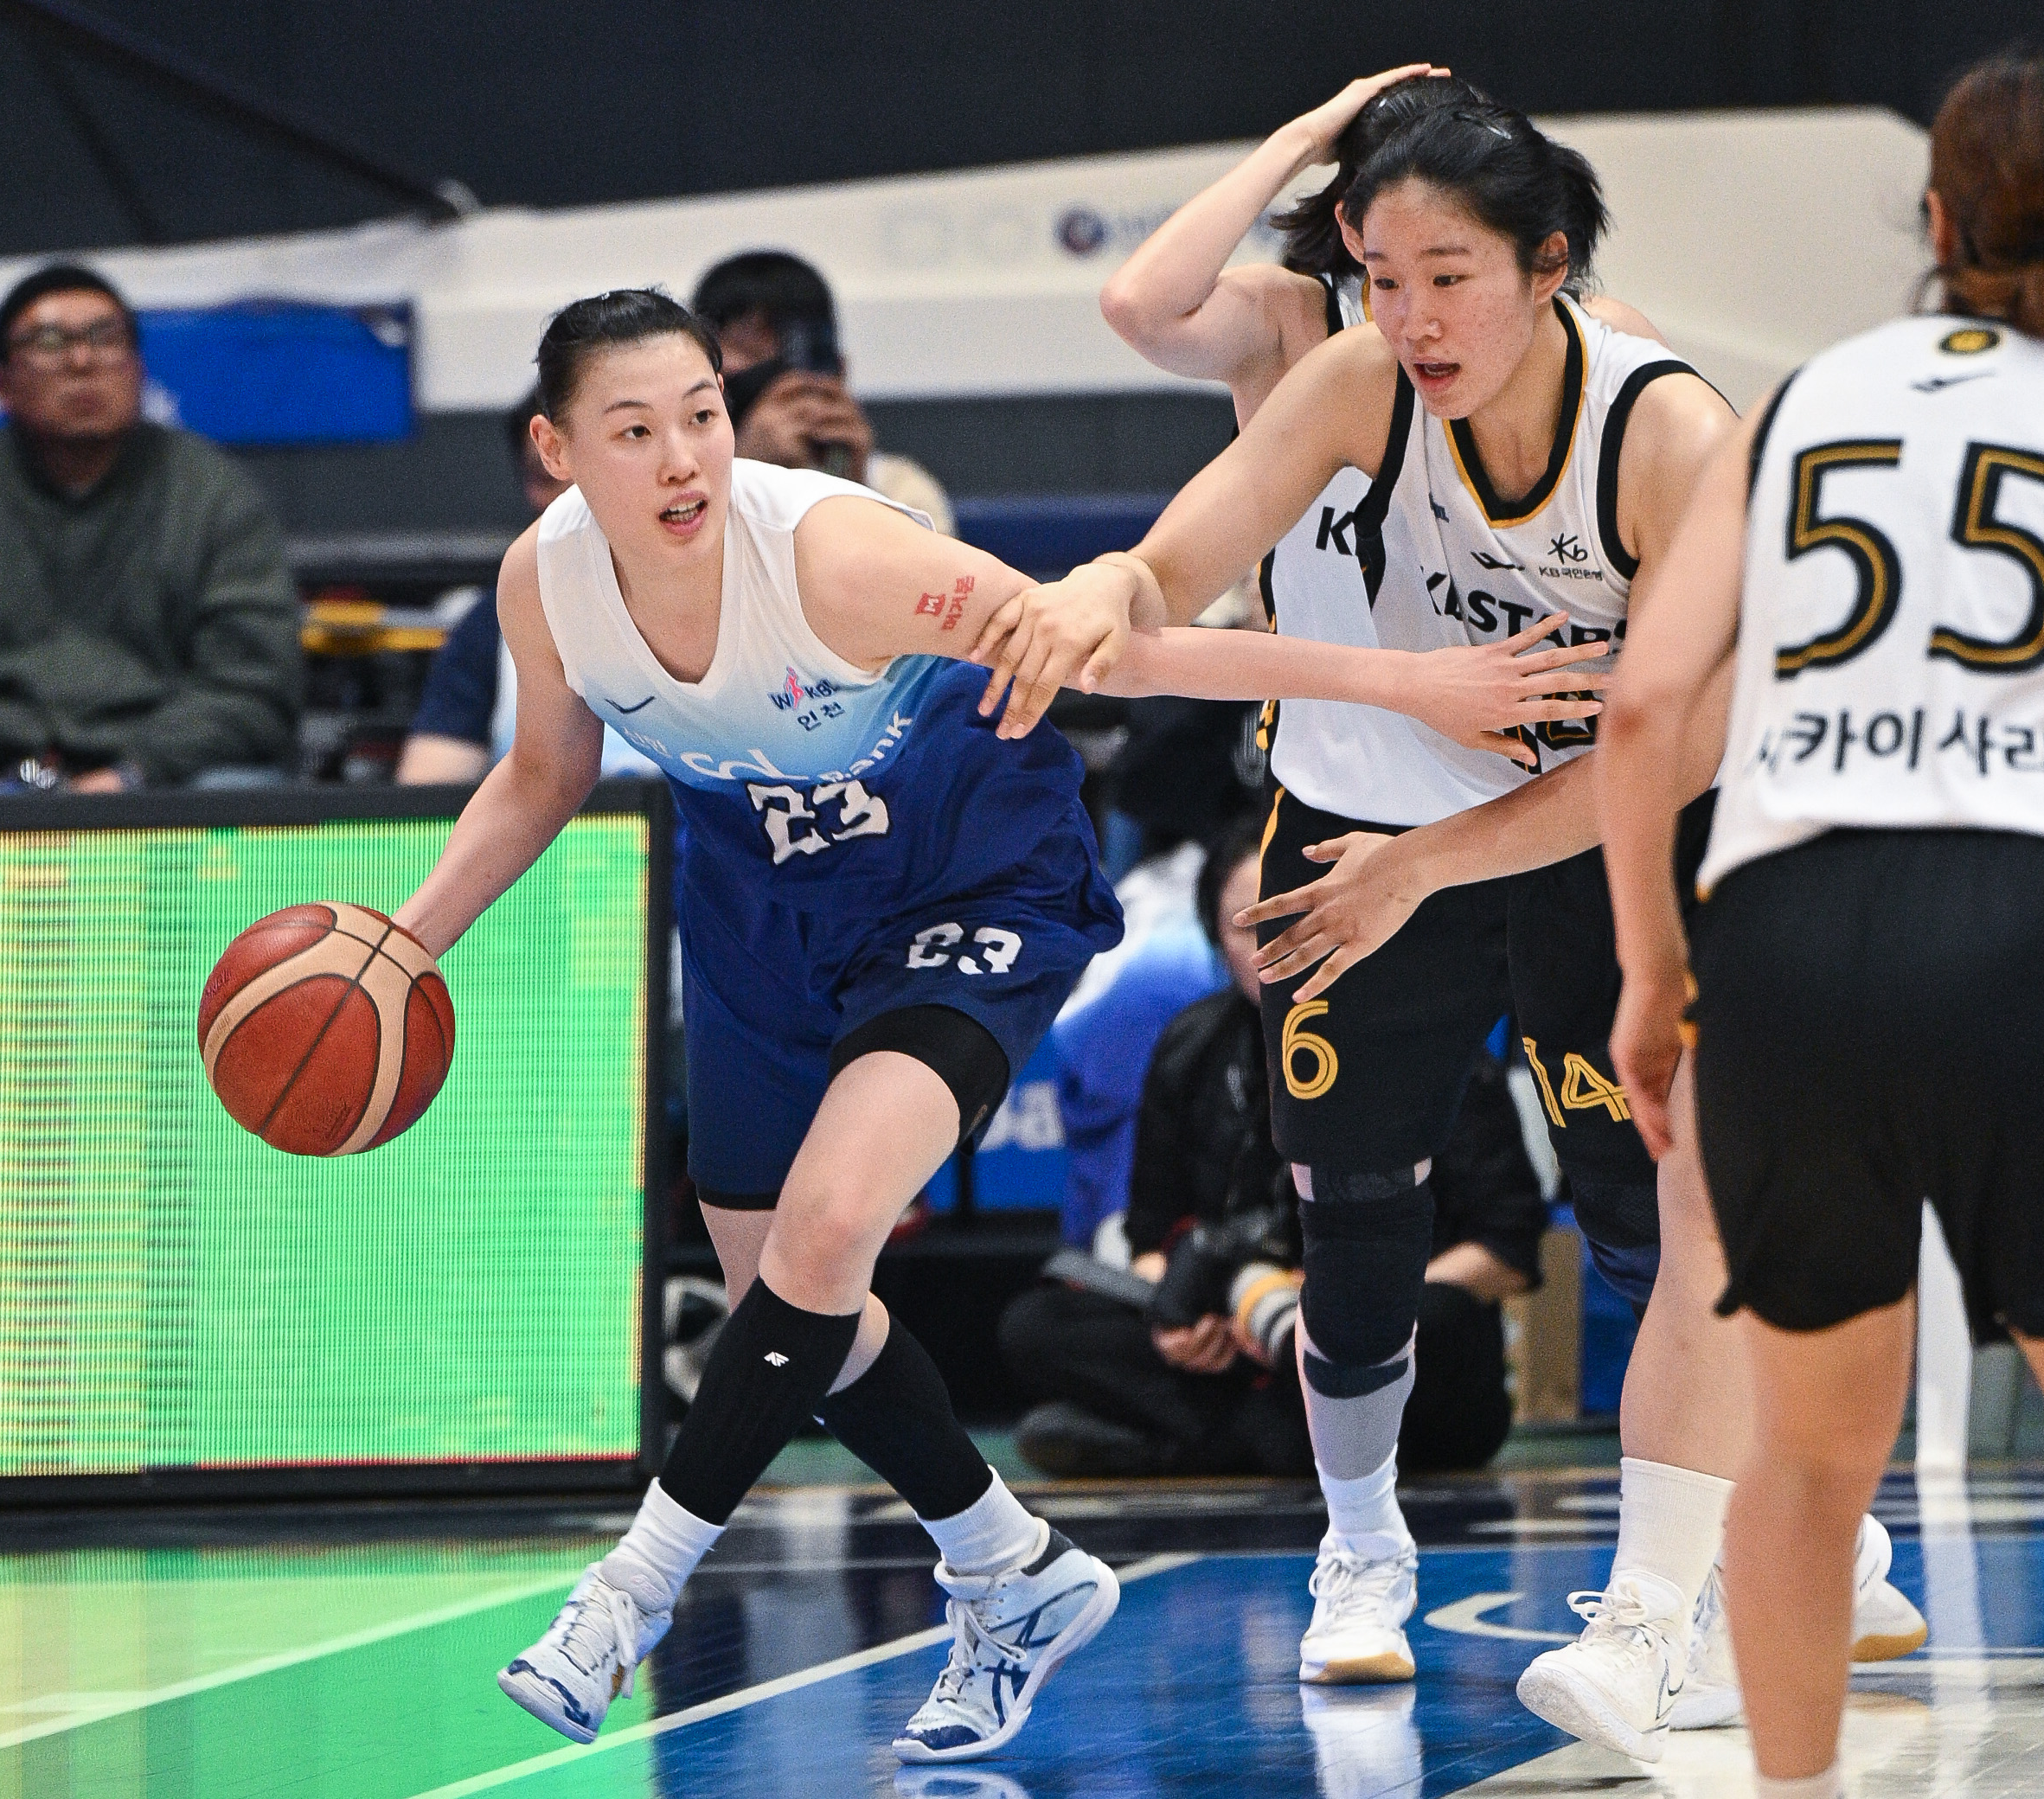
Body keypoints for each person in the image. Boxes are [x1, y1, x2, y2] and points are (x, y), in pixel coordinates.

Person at [379, 289, 1605, 1764]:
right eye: (634, 432)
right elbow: (539, 774)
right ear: (556, 450)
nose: (684, 459)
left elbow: (1114, 654)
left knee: (829, 1237)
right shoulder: (546, 582)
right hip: (761, 905)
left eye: (701, 413)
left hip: (963, 872)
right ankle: (1009, 1567)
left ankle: (632, 1588)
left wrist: (1409, 681)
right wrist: (402, 945)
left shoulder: (834, 554)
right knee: (785, 1294)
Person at [977, 93, 1921, 1724]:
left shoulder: (1667, 433)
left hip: (1621, 828)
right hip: (1364, 812)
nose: (1411, 317)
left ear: (1551, 269)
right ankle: (1384, 1555)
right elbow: (1173, 564)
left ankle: (1784, 1543)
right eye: (1385, 275)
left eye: (1450, 278)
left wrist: (1426, 861)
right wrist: (1101, 587)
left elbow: (1667, 741)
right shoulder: (1345, 370)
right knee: (1350, 1209)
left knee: (1655, 1214)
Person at [1599, 48, 2044, 1797]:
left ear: (1937, 215)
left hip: (1788, 932)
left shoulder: (1804, 396)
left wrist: (1653, 974)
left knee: (1812, 1461)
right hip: (2032, 913)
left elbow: (1639, 708)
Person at [1001, 822, 1542, 1478]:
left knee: (1444, 1322)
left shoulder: (1427, 1038)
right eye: (1245, 927)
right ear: (1214, 939)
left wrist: (1327, 1308)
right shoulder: (1190, 1048)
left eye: (1295, 916)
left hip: (1387, 1327)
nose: (1274, 947)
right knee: (1037, 1324)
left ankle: (1205, 1444)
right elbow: (1148, 1240)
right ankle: (1274, 1440)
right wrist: (1186, 1318)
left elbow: (1505, 1254)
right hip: (1237, 1331)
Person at [0, 264, 301, 795]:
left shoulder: (216, 496)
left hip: (162, 779)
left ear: (139, 370)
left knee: (241, 797)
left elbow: (252, 683)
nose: (82, 361)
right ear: (1, 385)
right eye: (49, 342)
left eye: (106, 338)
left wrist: (131, 776)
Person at [395, 387, 657, 784]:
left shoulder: (732, 596)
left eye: (594, 469)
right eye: (546, 474)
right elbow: (424, 796)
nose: (577, 495)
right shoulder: (493, 622)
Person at [692, 250, 954, 533]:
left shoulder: (900, 489)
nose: (778, 402)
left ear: (838, 373)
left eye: (793, 373)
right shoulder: (681, 485)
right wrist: (743, 475)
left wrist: (852, 493)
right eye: (750, 366)